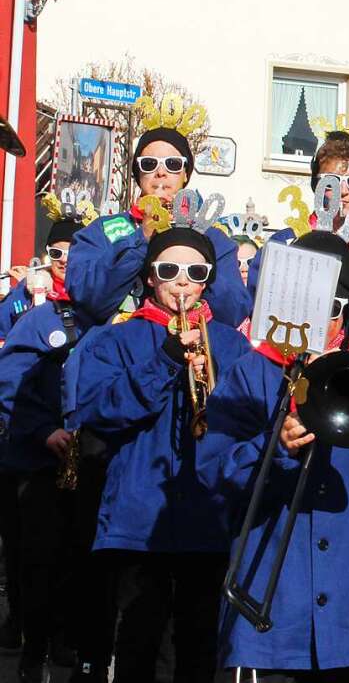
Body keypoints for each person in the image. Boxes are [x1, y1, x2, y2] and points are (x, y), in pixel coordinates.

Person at [199, 231, 349, 681]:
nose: (315, 324)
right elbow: (214, 473)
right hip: (270, 617)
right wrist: (274, 448)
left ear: (346, 315)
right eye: (305, 308)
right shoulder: (252, 372)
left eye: (330, 309)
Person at [71, 226, 252, 683]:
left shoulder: (232, 345)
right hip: (138, 520)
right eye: (168, 270)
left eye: (195, 271)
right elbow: (100, 412)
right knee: (139, 644)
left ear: (208, 279)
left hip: (209, 518)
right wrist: (167, 360)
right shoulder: (116, 339)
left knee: (198, 648)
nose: (181, 281)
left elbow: (251, 423)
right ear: (151, 277)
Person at [0, 215, 84, 683]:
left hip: (82, 461)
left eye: (76, 257)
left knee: (73, 560)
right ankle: (32, 645)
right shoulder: (33, 312)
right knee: (31, 559)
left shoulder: (103, 313)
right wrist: (42, 432)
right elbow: (10, 383)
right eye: (57, 255)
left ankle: (61, 638)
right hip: (33, 458)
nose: (65, 264)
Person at [66, 127, 251, 327]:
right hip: (121, 350)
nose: (161, 172)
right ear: (138, 174)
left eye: (172, 164)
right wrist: (141, 239)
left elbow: (232, 312)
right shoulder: (102, 230)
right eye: (149, 164)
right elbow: (88, 300)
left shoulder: (213, 238)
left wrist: (195, 251)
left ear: (185, 174)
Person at [247, 132, 349, 298]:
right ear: (317, 187)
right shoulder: (284, 242)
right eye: (331, 181)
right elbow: (260, 300)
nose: (343, 191)